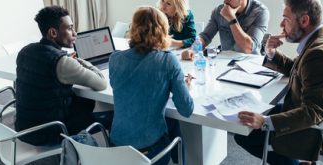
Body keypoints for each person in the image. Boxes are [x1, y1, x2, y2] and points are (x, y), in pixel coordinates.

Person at [234, 0, 323, 164]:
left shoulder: (319, 55)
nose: (281, 24)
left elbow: (312, 113)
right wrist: (271, 54)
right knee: (257, 111)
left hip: (317, 133)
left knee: (244, 134)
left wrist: (266, 122)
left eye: (286, 18)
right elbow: (299, 70)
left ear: (304, 20)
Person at [108, 6, 194, 165]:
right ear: (163, 31)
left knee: (169, 122)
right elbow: (186, 110)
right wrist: (184, 88)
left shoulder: (115, 58)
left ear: (132, 28)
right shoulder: (167, 61)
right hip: (150, 154)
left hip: (116, 148)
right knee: (173, 125)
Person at [15, 6, 107, 146]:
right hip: (50, 131)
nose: (75, 33)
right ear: (53, 32)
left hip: (24, 128)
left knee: (83, 102)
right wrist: (80, 61)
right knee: (111, 116)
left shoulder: (25, 51)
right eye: (70, 28)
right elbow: (101, 83)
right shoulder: (62, 62)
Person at [181, 0, 269, 60]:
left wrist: (231, 18)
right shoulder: (219, 11)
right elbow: (205, 36)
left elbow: (247, 48)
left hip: (250, 64)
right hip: (225, 62)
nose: (225, 2)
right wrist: (193, 49)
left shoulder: (260, 12)